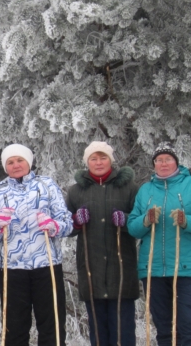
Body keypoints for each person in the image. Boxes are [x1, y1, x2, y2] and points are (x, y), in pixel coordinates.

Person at [0, 144, 73, 346]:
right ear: (5, 167)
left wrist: (54, 225)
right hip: (12, 269)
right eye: (10, 162)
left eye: (20, 160)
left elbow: (67, 223)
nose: (16, 165)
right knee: (14, 328)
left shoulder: (46, 185)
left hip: (46, 264)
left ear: (28, 162)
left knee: (52, 325)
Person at [127, 142, 191, 346]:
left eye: (168, 159)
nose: (163, 163)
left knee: (189, 324)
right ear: (154, 164)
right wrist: (146, 220)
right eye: (159, 160)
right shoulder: (146, 190)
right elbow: (133, 227)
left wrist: (187, 221)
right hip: (153, 270)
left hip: (186, 268)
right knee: (164, 328)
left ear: (176, 162)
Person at [66, 142, 139, 346]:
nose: (99, 163)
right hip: (92, 270)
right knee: (98, 332)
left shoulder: (130, 188)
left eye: (103, 157)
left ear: (111, 160)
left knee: (123, 332)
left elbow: (143, 222)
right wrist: (76, 221)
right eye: (93, 159)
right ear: (87, 162)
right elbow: (66, 227)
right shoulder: (76, 191)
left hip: (122, 269)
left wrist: (126, 220)